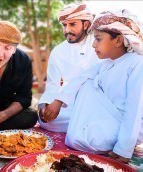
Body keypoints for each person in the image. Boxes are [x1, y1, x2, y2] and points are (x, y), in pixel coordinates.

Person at [44, 9, 143, 163]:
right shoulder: (106, 63)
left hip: (125, 127)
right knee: (85, 82)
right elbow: (78, 79)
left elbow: (134, 111)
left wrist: (123, 149)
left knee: (88, 85)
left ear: (118, 40)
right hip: (103, 120)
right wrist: (57, 102)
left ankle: (114, 143)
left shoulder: (137, 64)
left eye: (98, 39)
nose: (93, 45)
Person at [37, 3, 101, 132]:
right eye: (64, 25)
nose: (67, 30)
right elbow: (53, 85)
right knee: (45, 121)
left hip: (97, 103)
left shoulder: (98, 44)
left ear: (86, 25)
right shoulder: (58, 51)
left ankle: (85, 126)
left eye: (72, 24)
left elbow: (89, 77)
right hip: (70, 105)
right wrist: (44, 105)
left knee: (95, 117)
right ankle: (83, 127)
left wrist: (60, 100)